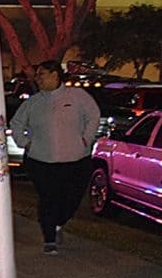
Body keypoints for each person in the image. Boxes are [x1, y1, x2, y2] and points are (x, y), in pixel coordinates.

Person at [9, 60, 99, 255]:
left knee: (71, 198)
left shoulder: (77, 97)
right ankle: (49, 239)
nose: (38, 79)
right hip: (42, 161)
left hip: (75, 160)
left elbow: (93, 116)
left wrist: (85, 139)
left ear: (55, 75)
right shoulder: (33, 102)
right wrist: (25, 143)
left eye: (42, 74)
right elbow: (16, 124)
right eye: (37, 75)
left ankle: (58, 222)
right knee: (48, 198)